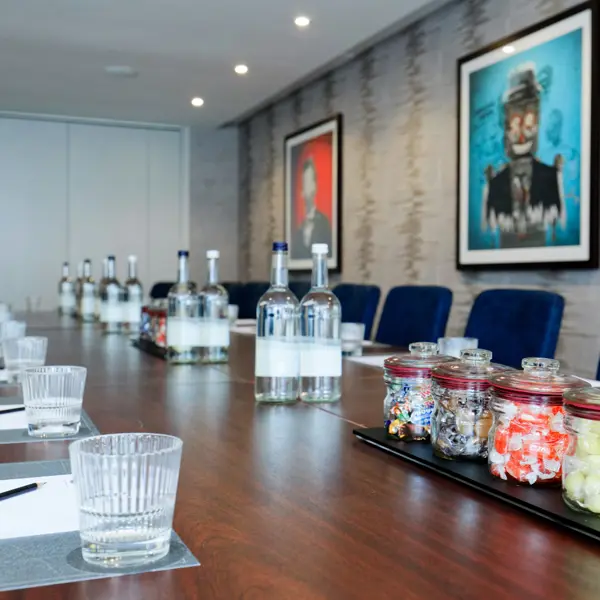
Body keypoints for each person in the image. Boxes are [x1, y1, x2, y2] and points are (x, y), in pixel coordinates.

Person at [482, 63, 564, 248]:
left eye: (528, 126)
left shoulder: (550, 177)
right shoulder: (496, 183)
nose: (520, 136)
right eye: (514, 126)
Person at [291, 157, 332, 259]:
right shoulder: (298, 232)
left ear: (315, 186)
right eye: (304, 183)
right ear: (301, 192)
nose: (306, 187)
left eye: (309, 182)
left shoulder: (324, 223)